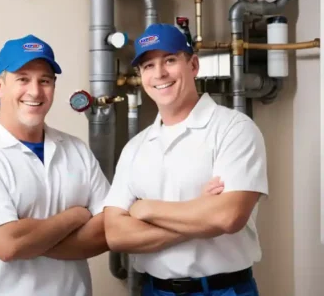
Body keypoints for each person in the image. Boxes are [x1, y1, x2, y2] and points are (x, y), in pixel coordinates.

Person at [104, 23, 268, 296]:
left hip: (223, 290)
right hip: (156, 291)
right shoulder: (135, 148)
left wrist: (146, 210)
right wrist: (200, 213)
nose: (159, 73)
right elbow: (116, 234)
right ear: (141, 76)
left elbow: (227, 217)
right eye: (148, 66)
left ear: (193, 65)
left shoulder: (234, 129)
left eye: (169, 60)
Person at [0, 34, 110, 296]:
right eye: (23, 79)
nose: (35, 91)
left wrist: (32, 239)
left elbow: (107, 230)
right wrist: (77, 215)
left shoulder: (76, 150)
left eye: (44, 81)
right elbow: (9, 245)